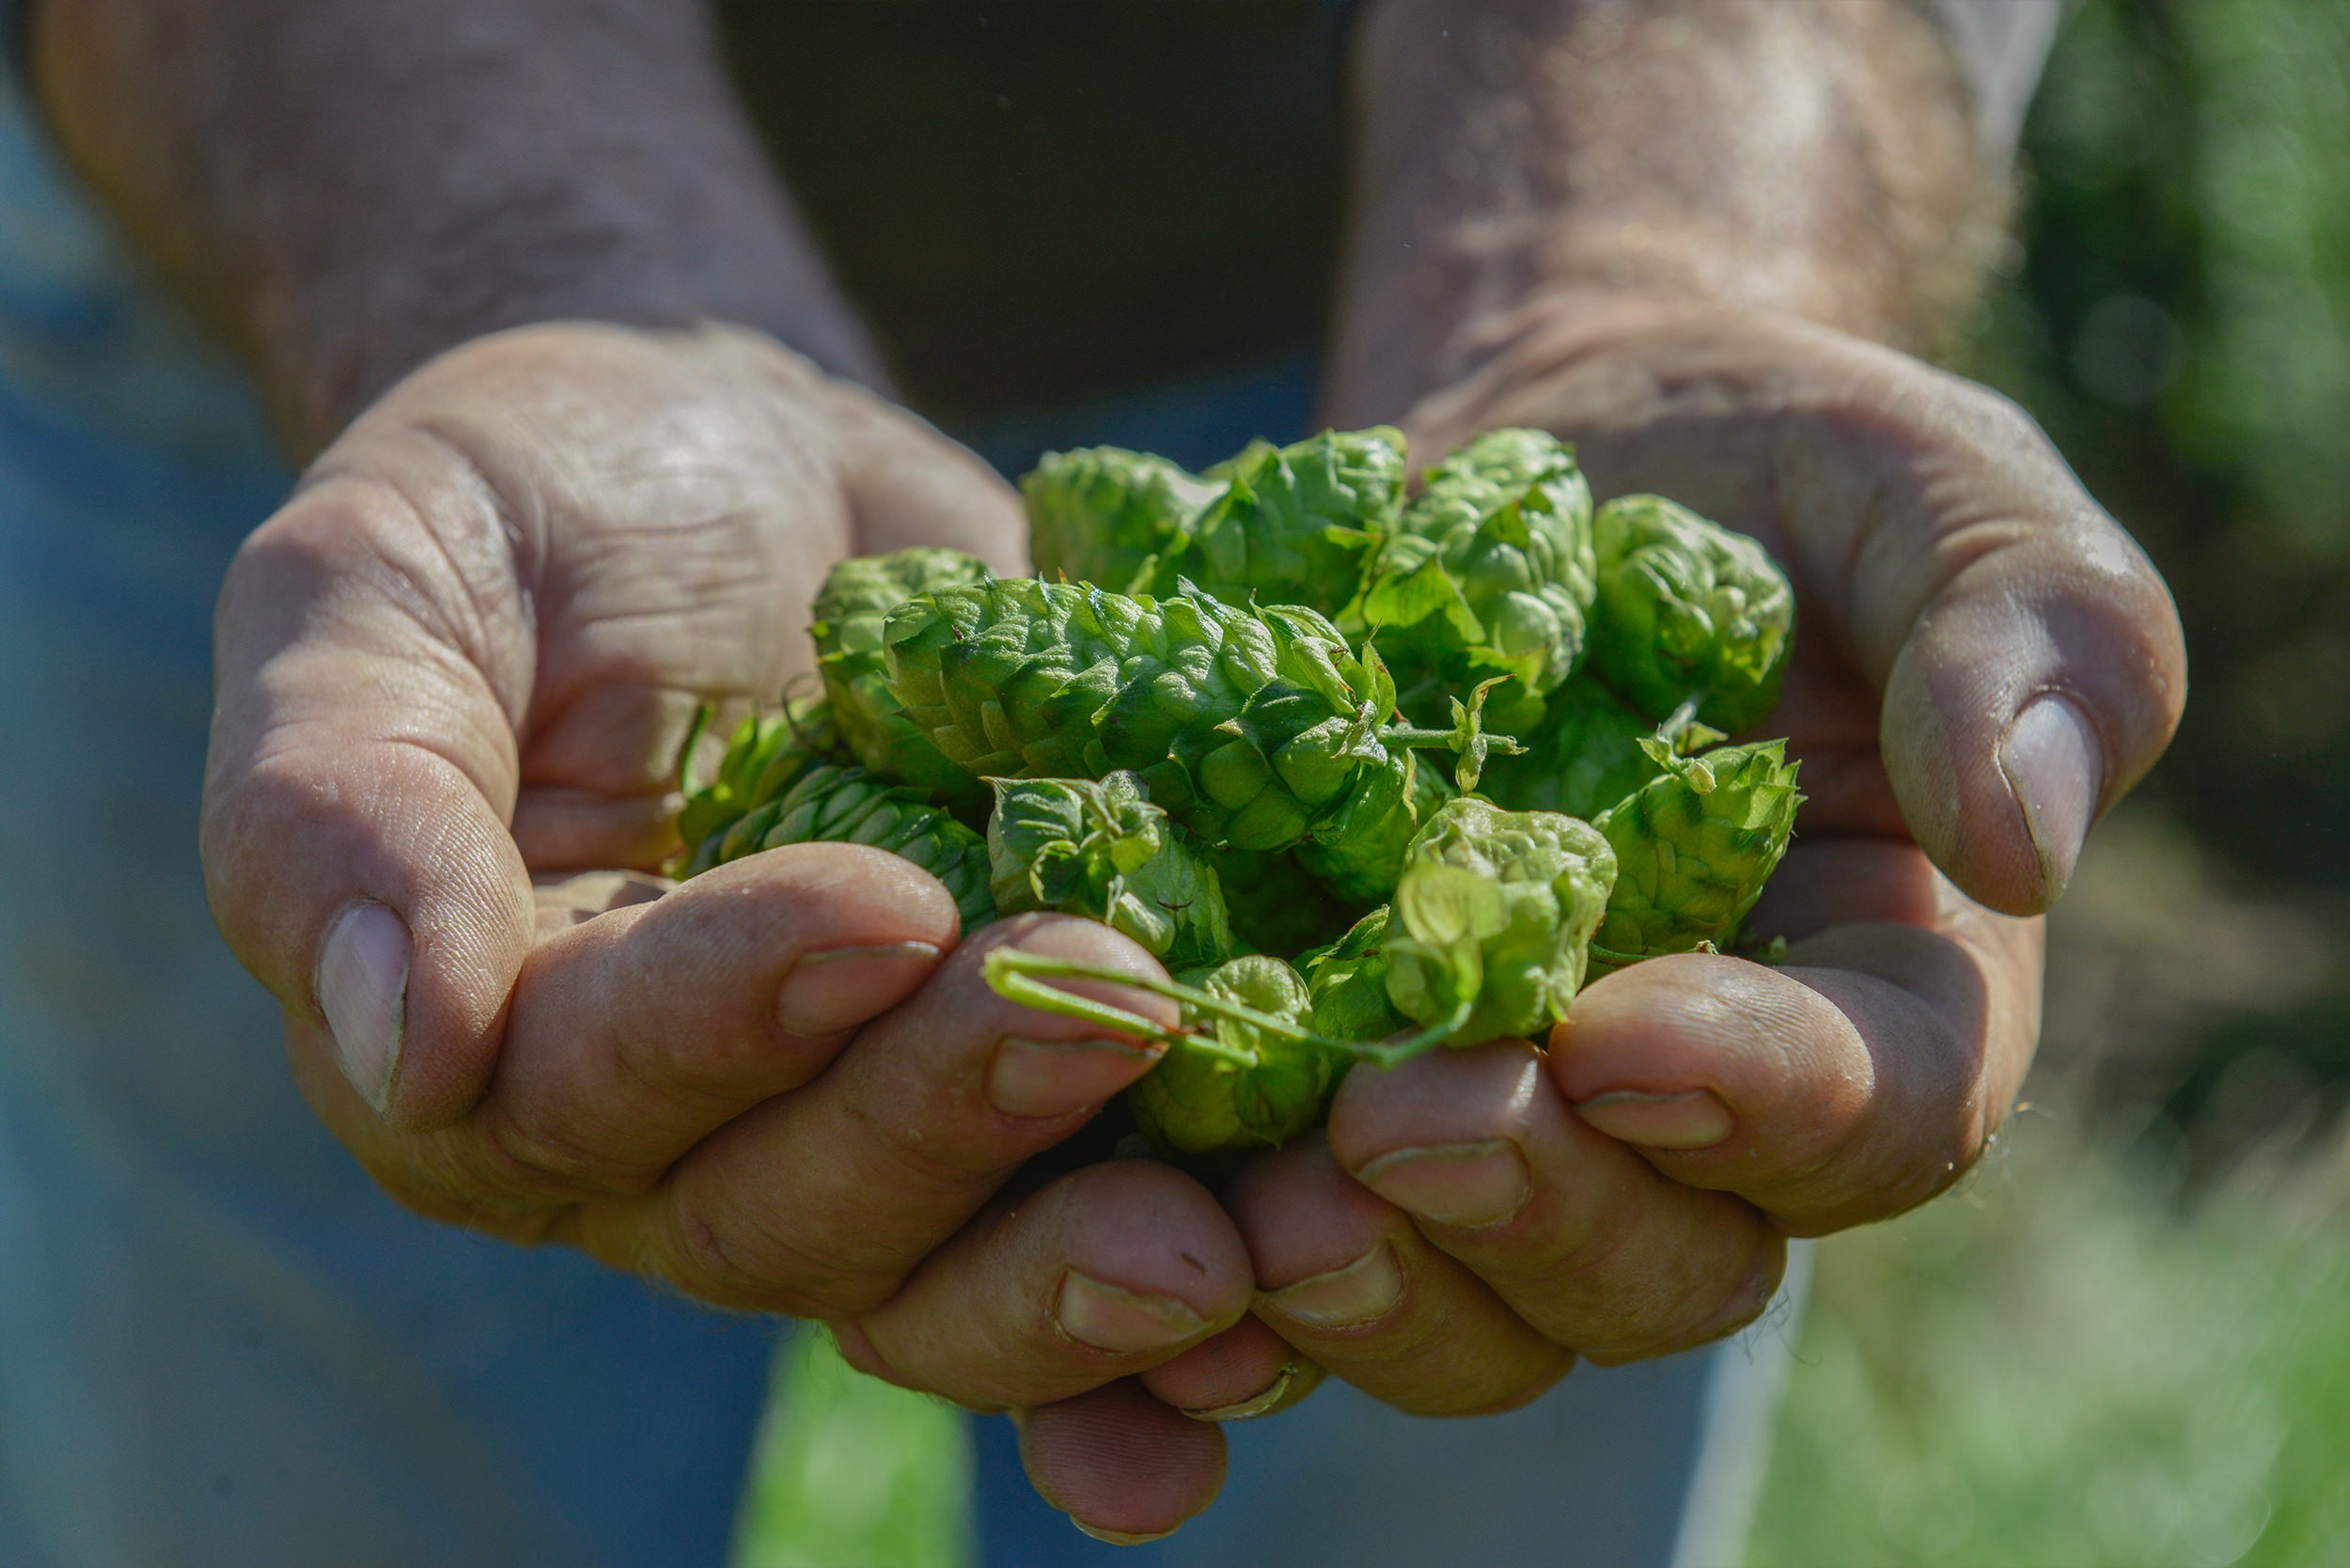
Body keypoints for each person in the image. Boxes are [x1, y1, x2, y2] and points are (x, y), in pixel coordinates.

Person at [0, 1, 2181, 1563]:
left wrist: (1649, 253)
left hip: (1465, 266)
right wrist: (514, 252)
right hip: (336, 252)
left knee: (1470, 1323)